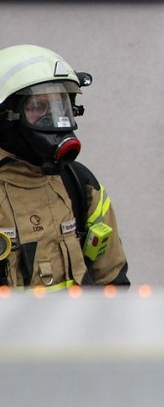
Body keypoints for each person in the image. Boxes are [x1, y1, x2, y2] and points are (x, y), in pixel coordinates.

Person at [0, 44, 129, 290]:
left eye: (61, 106)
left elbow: (112, 282)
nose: (55, 119)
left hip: (75, 329)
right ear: (6, 116)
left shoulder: (80, 185)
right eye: (38, 107)